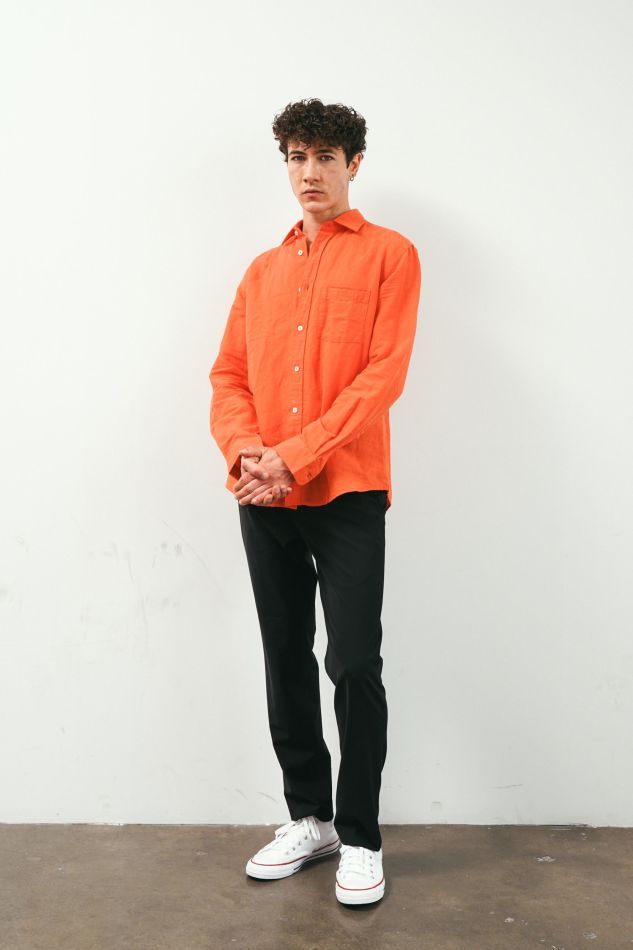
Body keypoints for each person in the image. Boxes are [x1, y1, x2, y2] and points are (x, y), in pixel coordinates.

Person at [208, 97, 421, 906]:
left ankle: (360, 837)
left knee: (353, 661)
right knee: (285, 656)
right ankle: (311, 818)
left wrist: (294, 457)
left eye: (325, 157)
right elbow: (228, 375)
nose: (309, 172)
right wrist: (247, 454)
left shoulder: (390, 255)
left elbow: (382, 376)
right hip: (262, 493)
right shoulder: (261, 272)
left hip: (346, 489)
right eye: (297, 156)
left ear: (353, 165)